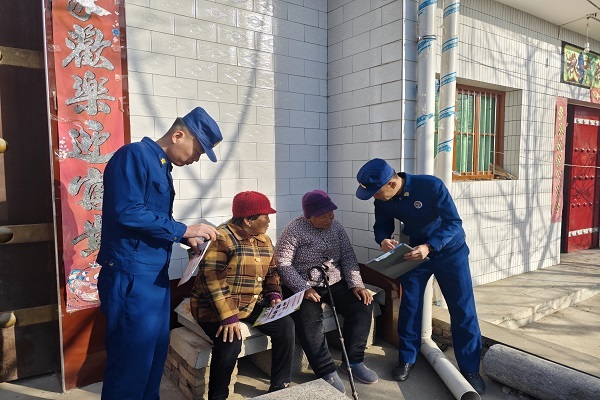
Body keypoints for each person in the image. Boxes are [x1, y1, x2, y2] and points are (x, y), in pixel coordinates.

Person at [97, 107, 222, 400]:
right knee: (130, 366)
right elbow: (128, 212)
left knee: (153, 360)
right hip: (131, 278)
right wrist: (183, 229)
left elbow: (151, 222)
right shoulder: (134, 156)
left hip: (154, 278)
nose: (196, 159)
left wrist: (185, 238)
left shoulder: (162, 167)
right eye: (198, 150)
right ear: (178, 135)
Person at [355, 158, 486, 394]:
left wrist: (430, 246)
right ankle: (407, 357)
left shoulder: (431, 186)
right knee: (410, 305)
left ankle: (470, 369)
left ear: (392, 184)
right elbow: (381, 225)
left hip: (450, 251)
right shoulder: (383, 199)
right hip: (414, 253)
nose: (374, 197)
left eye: (376, 192)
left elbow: (453, 222)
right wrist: (383, 239)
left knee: (462, 309)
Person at [190, 191, 295, 400]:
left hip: (249, 303)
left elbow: (272, 272)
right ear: (248, 220)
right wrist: (228, 316)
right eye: (265, 216)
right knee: (230, 343)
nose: (269, 220)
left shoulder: (264, 240)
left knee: (285, 326)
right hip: (213, 307)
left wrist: (274, 293)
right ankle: (217, 397)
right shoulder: (220, 239)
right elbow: (212, 280)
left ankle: (279, 385)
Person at [275, 190, 379, 393]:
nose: (329, 218)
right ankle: (325, 370)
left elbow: (348, 256)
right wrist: (303, 288)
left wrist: (356, 284)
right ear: (309, 216)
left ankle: (354, 361)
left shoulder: (336, 227)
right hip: (304, 283)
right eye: (323, 215)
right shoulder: (293, 230)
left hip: (334, 280)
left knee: (363, 304)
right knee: (308, 318)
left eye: (331, 213)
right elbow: (283, 264)